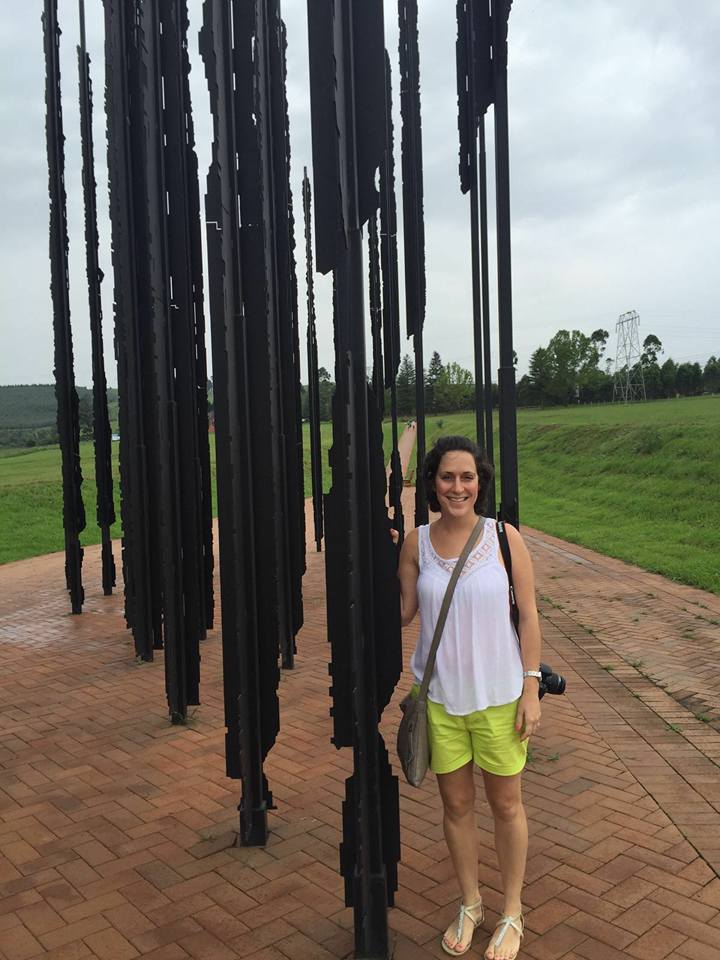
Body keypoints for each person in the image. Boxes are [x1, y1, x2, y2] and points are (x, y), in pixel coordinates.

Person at [395, 435, 542, 960]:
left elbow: (528, 615)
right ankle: (471, 901)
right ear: (433, 483)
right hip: (439, 699)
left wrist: (531, 687)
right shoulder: (416, 543)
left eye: (467, 477)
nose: (458, 487)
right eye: (447, 477)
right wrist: (375, 559)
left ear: (480, 482)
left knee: (506, 806)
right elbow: (405, 613)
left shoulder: (505, 540)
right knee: (456, 806)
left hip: (500, 696)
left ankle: (512, 910)